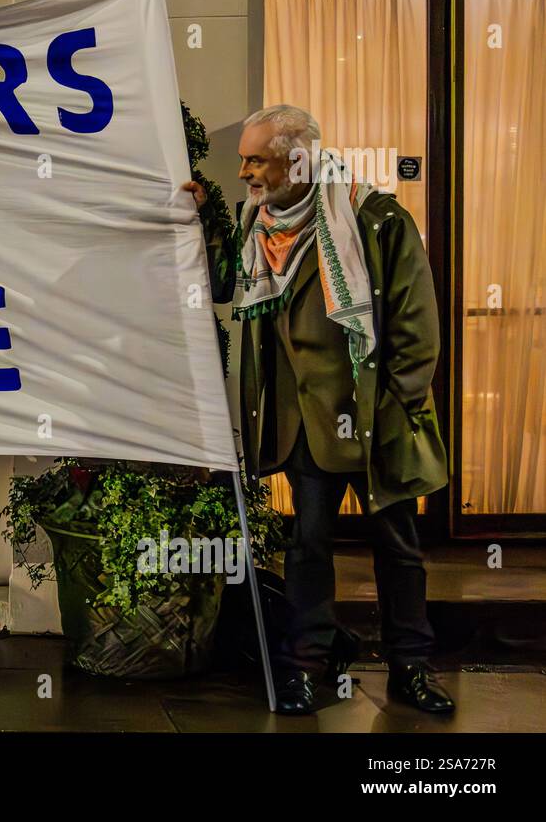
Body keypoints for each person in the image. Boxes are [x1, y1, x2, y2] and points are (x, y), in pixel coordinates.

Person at [184, 105, 454, 716]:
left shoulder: (376, 220)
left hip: (376, 418)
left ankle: (412, 669)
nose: (245, 170)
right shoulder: (258, 222)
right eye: (245, 158)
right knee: (308, 547)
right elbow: (226, 284)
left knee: (399, 549)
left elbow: (418, 329)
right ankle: (305, 667)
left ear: (297, 159)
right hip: (306, 423)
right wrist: (207, 219)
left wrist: (397, 408)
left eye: (257, 159)